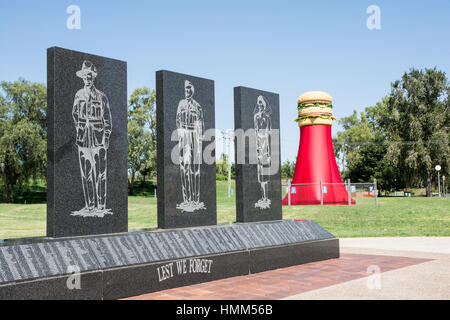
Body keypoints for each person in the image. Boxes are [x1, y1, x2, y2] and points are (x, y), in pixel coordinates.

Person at [72, 60, 112, 217]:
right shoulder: (78, 95)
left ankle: (101, 205)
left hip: (99, 138)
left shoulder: (101, 97)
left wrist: (106, 135)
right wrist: (80, 128)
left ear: (93, 77)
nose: (87, 79)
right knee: (86, 173)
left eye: (90, 76)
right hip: (83, 139)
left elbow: (107, 118)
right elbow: (75, 114)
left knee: (100, 173)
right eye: (85, 76)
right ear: (82, 78)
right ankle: (90, 205)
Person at [176, 80, 205, 212]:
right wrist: (181, 135)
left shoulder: (197, 106)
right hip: (185, 134)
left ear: (193, 89)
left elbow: (201, 124)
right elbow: (177, 120)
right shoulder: (181, 104)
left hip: (195, 135)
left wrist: (199, 139)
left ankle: (195, 199)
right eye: (185, 88)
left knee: (195, 168)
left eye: (189, 88)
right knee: (185, 167)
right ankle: (186, 199)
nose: (187, 91)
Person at [254, 95, 272, 209]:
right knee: (260, 173)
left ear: (265, 104)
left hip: (266, 146)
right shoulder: (256, 117)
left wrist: (269, 150)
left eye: (262, 103)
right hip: (259, 146)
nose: (260, 105)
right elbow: (255, 131)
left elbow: (269, 133)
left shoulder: (268, 118)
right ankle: (262, 196)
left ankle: (266, 197)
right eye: (258, 103)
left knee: (266, 173)